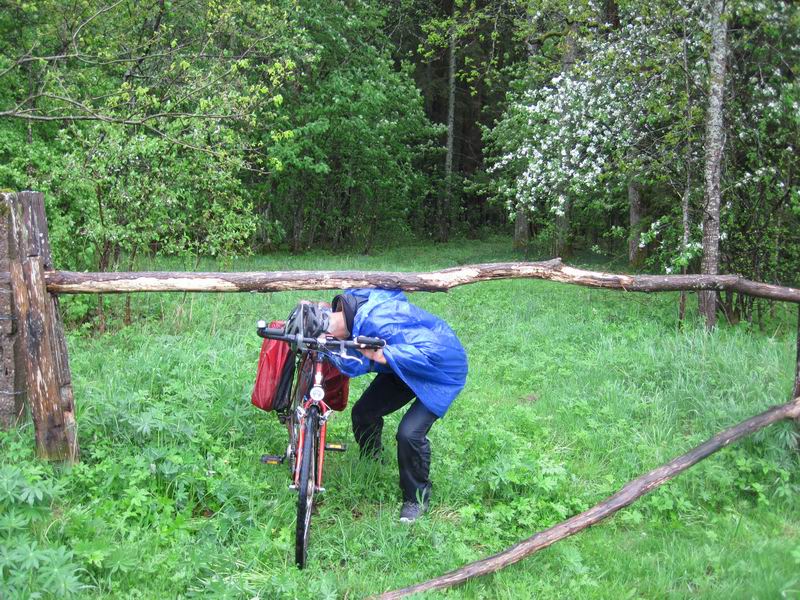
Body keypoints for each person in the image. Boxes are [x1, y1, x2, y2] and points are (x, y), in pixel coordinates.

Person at [320, 288, 468, 523]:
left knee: (409, 434)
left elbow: (432, 351)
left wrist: (387, 354)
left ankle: (416, 499)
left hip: (440, 371)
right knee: (363, 413)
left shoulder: (375, 324)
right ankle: (372, 459)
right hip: (402, 366)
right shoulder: (358, 307)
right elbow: (390, 291)